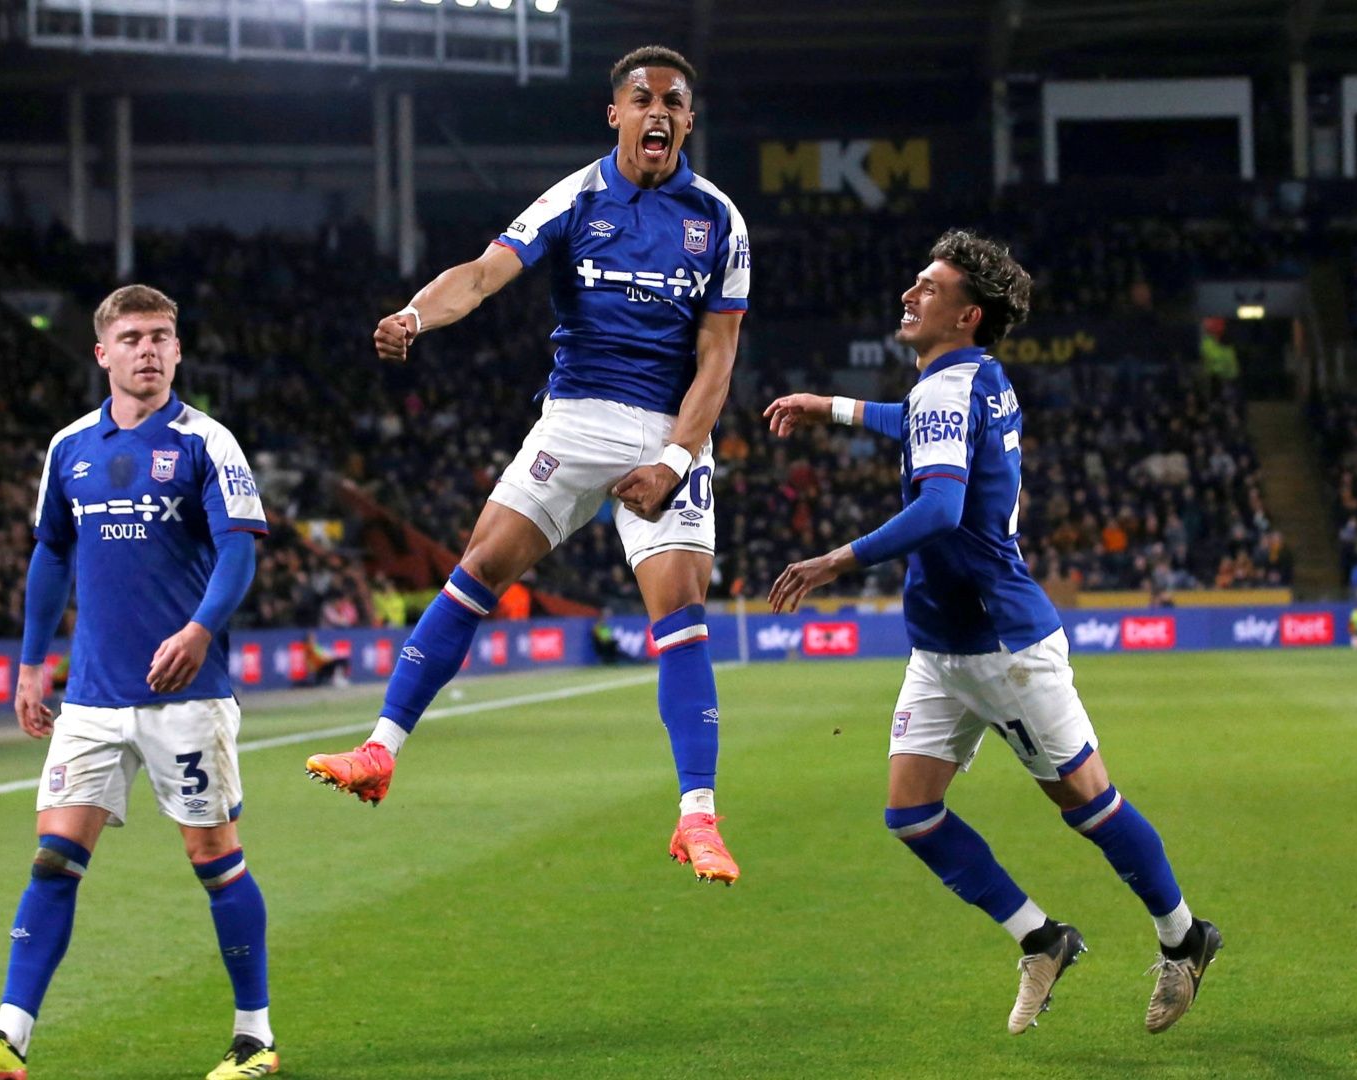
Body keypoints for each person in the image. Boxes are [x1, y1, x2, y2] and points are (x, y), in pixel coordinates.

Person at [304, 45, 751, 885]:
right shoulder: (576, 197)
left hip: (667, 424)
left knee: (681, 604)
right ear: (613, 113)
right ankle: (381, 748)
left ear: (689, 121)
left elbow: (717, 361)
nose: (658, 112)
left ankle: (698, 817)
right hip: (576, 416)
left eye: (675, 103)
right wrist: (412, 315)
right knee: (479, 567)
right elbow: (480, 276)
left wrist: (677, 457)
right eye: (642, 98)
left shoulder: (719, 219)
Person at [761, 230, 1221, 1035]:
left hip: (1002, 649)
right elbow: (914, 420)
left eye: (927, 288)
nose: (910, 294)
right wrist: (828, 405)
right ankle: (1043, 939)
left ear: (967, 314)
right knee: (911, 813)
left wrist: (836, 559)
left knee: (1088, 805)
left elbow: (939, 507)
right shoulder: (976, 378)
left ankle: (1186, 939)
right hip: (942, 650)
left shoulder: (947, 387)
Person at [0, 286, 279, 1080]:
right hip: (89, 697)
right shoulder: (69, 449)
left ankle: (255, 1037)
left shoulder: (206, 441)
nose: (147, 350)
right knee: (54, 858)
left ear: (178, 351)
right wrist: (31, 663)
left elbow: (238, 551)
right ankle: (8, 1036)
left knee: (213, 856)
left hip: (184, 697)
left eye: (160, 337)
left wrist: (198, 631)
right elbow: (51, 554)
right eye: (131, 338)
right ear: (103, 353)